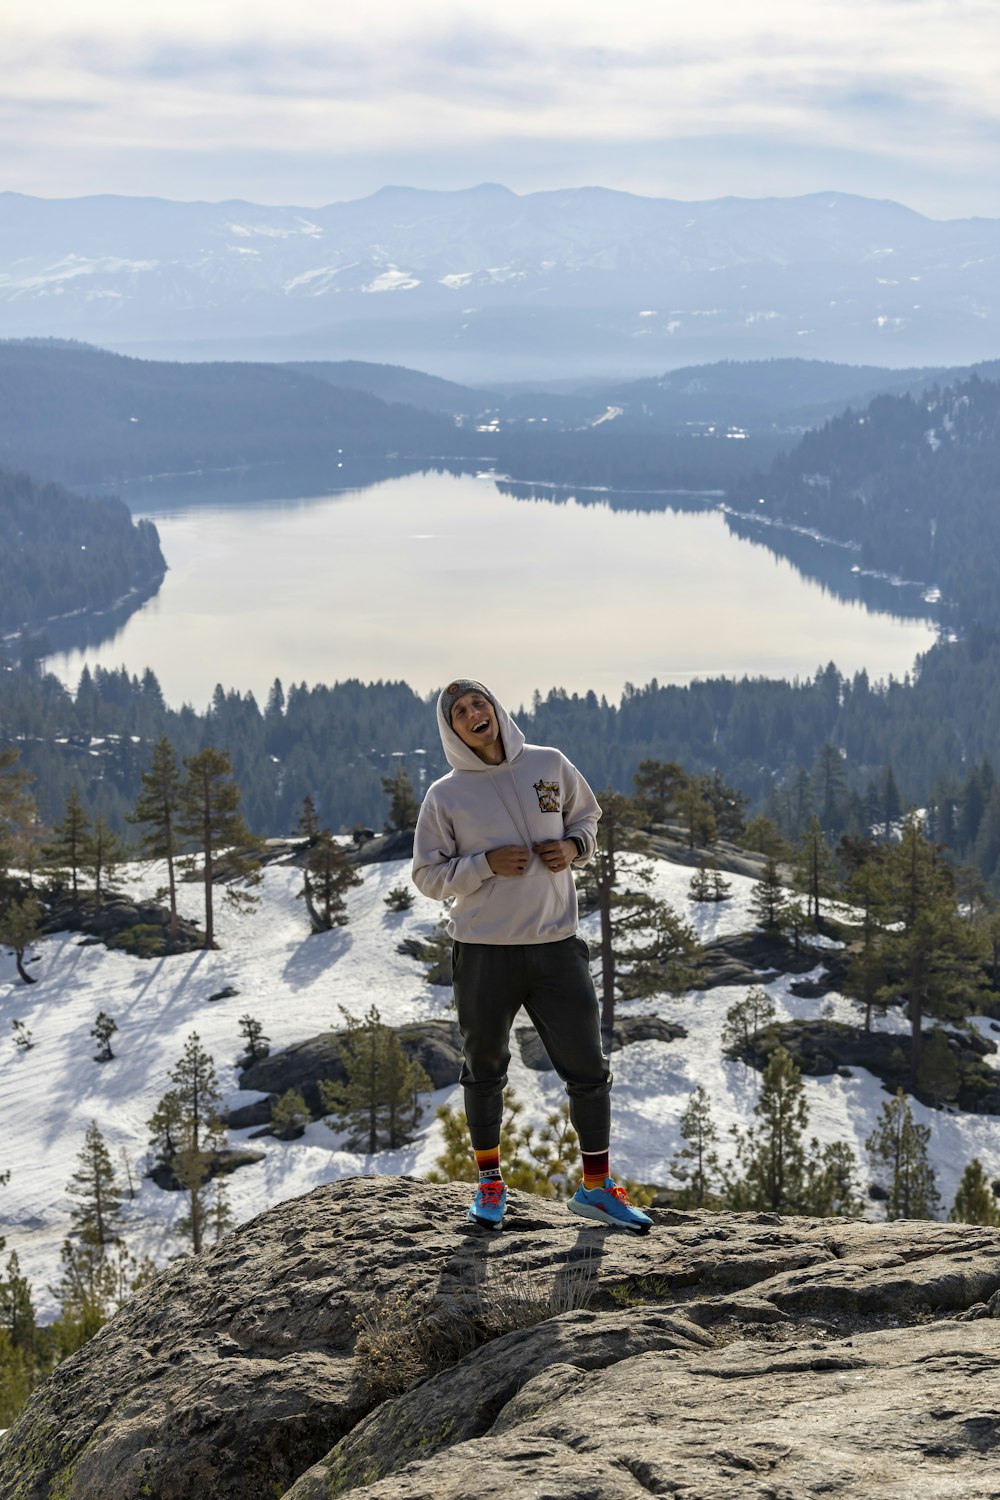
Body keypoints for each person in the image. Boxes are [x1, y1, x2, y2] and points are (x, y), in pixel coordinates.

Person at [412, 678, 651, 1235]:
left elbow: (587, 818)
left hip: (556, 947)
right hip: (484, 953)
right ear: (452, 728)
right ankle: (490, 1186)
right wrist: (485, 865)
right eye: (461, 711)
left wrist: (573, 848)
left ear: (495, 709)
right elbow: (427, 877)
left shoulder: (549, 763)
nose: (475, 713)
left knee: (589, 1071)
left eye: (480, 703)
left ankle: (596, 1188)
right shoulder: (445, 796)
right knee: (485, 1070)